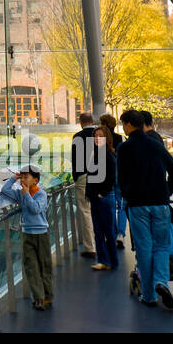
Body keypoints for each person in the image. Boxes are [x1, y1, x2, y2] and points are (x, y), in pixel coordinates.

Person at [118, 108, 173, 310]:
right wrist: (167, 191)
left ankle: (149, 295)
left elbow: (121, 178)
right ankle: (161, 281)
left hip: (137, 205)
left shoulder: (125, 148)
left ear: (128, 125)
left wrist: (128, 194)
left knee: (144, 248)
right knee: (162, 245)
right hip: (160, 203)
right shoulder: (156, 145)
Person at [0, 166, 52, 309]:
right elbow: (5, 190)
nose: (23, 180)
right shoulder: (20, 193)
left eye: (26, 177)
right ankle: (39, 298)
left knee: (44, 265)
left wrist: (26, 194)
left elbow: (35, 209)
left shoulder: (41, 194)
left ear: (35, 180)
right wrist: (13, 178)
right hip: (27, 233)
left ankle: (48, 295)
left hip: (41, 234)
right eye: (21, 177)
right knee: (31, 266)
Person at [88, 124, 119, 271]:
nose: (97, 138)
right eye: (95, 136)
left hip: (104, 198)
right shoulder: (97, 154)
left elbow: (112, 177)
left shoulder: (107, 155)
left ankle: (110, 261)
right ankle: (105, 260)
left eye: (100, 136)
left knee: (107, 231)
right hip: (97, 198)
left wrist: (102, 193)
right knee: (99, 231)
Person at [70, 112, 97, 259]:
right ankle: (103, 242)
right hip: (99, 176)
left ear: (81, 122)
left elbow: (76, 160)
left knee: (85, 211)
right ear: (92, 121)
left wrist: (77, 176)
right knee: (98, 209)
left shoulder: (78, 137)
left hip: (84, 177)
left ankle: (90, 246)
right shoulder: (99, 135)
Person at [99, 112, 127, 249]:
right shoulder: (121, 138)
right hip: (120, 174)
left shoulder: (100, 139)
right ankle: (121, 234)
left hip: (106, 175)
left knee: (110, 205)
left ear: (104, 124)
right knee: (121, 206)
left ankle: (112, 232)